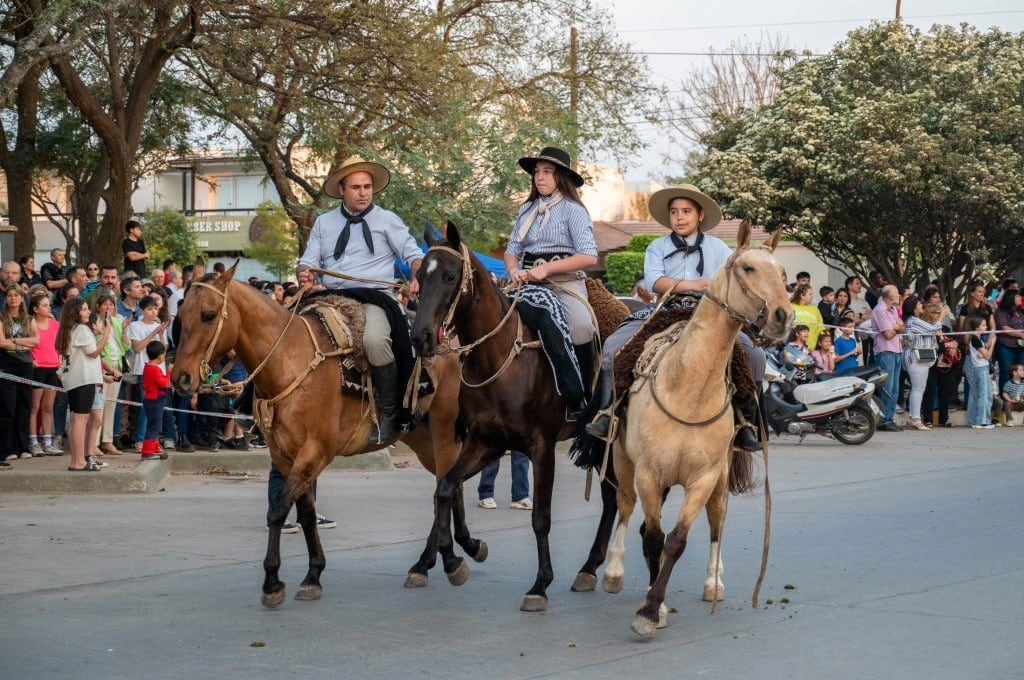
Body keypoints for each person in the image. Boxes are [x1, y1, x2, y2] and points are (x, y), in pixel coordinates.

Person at [585, 184, 757, 449]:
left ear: (700, 215)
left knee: (753, 354)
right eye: (675, 212)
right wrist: (698, 285)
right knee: (612, 347)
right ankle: (608, 413)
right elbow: (656, 282)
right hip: (665, 310)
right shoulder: (657, 246)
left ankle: (745, 421)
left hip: (709, 315)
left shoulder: (720, 249)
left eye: (686, 211)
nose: (680, 217)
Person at [297, 155, 423, 444]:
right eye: (356, 187)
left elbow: (414, 256)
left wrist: (418, 276)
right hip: (329, 298)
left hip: (375, 299)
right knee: (287, 335)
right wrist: (305, 275)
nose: (363, 192)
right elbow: (307, 262)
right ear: (341, 190)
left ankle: (390, 415)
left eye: (367, 186)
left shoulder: (388, 220)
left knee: (375, 342)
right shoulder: (323, 223)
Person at [503, 146, 598, 419]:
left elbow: (589, 257)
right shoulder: (526, 209)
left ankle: (581, 397)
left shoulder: (574, 211)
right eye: (537, 172)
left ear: (561, 177)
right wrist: (512, 269)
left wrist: (548, 270)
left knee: (581, 327)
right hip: (527, 284)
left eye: (547, 172)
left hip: (566, 283)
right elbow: (512, 249)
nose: (540, 178)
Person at [55, 299, 109, 471]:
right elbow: (93, 353)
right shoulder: (83, 329)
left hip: (74, 379)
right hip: (83, 379)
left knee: (76, 419)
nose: (88, 312)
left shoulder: (70, 329)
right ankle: (78, 461)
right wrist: (106, 334)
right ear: (76, 313)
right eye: (84, 310)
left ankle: (77, 459)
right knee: (80, 419)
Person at [0, 285, 39, 464]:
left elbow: (36, 340)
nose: (13, 298)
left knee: (24, 406)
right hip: (7, 366)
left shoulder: (28, 319)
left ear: (22, 298)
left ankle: (23, 446)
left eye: (16, 295)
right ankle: (7, 448)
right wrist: (24, 345)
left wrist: (15, 341)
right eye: (10, 295)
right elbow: (2, 343)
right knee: (8, 408)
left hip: (25, 366)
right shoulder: (1, 318)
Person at [126, 297, 170, 451]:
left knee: (158, 409)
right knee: (146, 408)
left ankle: (153, 440)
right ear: (143, 310)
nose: (153, 312)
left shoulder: (159, 326)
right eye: (150, 309)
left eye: (155, 309)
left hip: (160, 370)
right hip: (144, 370)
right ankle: (140, 439)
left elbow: (163, 350)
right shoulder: (135, 326)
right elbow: (137, 348)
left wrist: (162, 334)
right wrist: (153, 333)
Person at [28, 291, 63, 456]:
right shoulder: (30, 324)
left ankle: (48, 441)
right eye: (44, 305)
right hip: (37, 368)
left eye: (49, 305)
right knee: (34, 407)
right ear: (35, 309)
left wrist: (60, 362)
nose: (48, 307)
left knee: (48, 407)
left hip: (53, 368)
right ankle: (33, 441)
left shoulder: (55, 324)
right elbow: (28, 345)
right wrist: (31, 359)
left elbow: (60, 345)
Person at [902, 295, 941, 431]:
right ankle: (916, 419)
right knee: (918, 389)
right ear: (913, 308)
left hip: (923, 359)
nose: (921, 307)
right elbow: (933, 328)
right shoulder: (913, 321)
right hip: (916, 359)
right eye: (919, 305)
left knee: (919, 389)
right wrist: (942, 317)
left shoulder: (915, 320)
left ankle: (913, 417)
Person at [871, 285, 905, 432]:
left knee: (895, 388)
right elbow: (888, 334)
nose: (899, 295)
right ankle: (884, 420)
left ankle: (890, 419)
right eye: (896, 292)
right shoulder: (880, 310)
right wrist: (896, 327)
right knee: (887, 388)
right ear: (889, 296)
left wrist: (896, 327)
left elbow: (902, 328)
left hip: (897, 350)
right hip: (885, 351)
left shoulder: (893, 310)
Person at [93, 294, 124, 454]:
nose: (108, 308)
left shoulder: (117, 322)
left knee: (111, 404)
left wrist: (124, 331)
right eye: (105, 305)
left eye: (111, 305)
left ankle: (107, 440)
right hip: (102, 364)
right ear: (98, 306)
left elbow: (125, 346)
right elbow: (95, 346)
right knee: (99, 405)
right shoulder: (95, 323)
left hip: (116, 364)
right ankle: (94, 442)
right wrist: (102, 331)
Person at [140, 340, 171, 460]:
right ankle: (147, 451)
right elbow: (164, 383)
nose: (164, 356)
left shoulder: (149, 367)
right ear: (159, 357)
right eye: (164, 354)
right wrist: (169, 372)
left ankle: (154, 446)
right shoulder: (154, 369)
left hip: (152, 400)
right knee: (155, 426)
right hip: (154, 401)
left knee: (155, 424)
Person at [964, 316, 994, 429]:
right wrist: (993, 344)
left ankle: (974, 420)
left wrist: (989, 343)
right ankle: (983, 420)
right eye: (983, 325)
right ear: (977, 327)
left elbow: (982, 352)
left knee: (975, 394)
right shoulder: (975, 339)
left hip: (977, 368)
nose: (985, 327)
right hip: (980, 369)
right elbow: (987, 355)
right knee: (984, 394)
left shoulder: (976, 339)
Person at [993, 285, 1024, 393]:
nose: (1021, 299)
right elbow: (1004, 328)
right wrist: (1021, 335)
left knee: (1020, 372)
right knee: (1006, 372)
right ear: (1011, 299)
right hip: (1005, 346)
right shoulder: (1001, 312)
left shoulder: (1020, 312)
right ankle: (1005, 397)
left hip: (1020, 347)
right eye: (1018, 297)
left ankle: (1018, 396)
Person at [790, 283, 824, 350]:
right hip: (794, 348)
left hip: (812, 349)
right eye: (810, 294)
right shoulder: (791, 307)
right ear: (802, 295)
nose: (812, 296)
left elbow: (821, 328)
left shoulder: (815, 309)